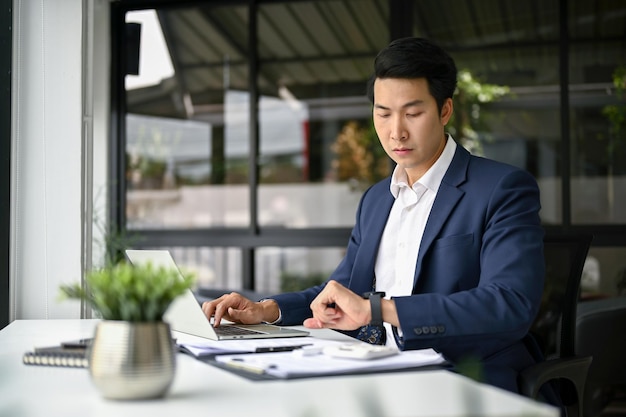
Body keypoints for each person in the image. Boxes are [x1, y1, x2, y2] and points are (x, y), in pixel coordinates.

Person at [202, 37, 545, 396]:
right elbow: (340, 292)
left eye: (412, 113)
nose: (396, 131)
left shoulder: (501, 188)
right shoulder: (376, 199)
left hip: (465, 377)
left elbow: (509, 302)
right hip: (374, 372)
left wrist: (380, 311)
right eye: (383, 113)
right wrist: (266, 310)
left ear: (445, 110)